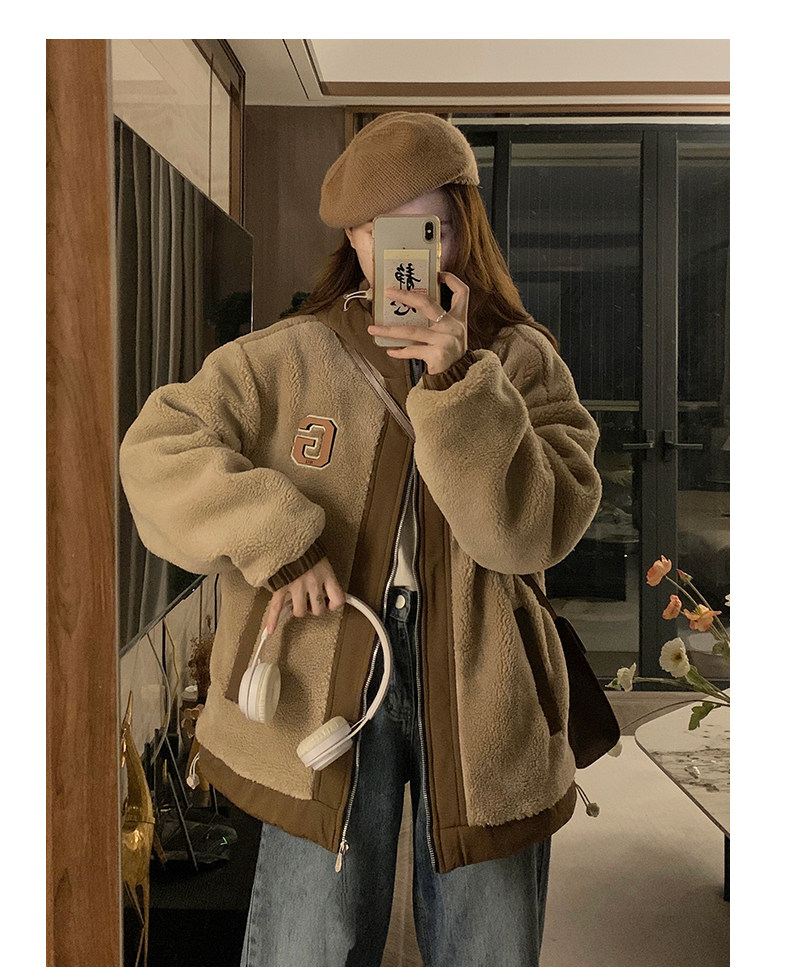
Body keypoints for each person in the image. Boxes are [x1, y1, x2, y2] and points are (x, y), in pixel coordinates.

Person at [119, 111, 602, 967]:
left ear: (463, 229)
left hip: (486, 689)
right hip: (322, 679)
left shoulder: (523, 362)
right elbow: (156, 451)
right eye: (387, 230)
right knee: (308, 944)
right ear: (354, 236)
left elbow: (532, 532)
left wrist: (458, 380)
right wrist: (278, 536)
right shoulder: (284, 357)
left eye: (433, 225)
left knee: (488, 945)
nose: (412, 251)